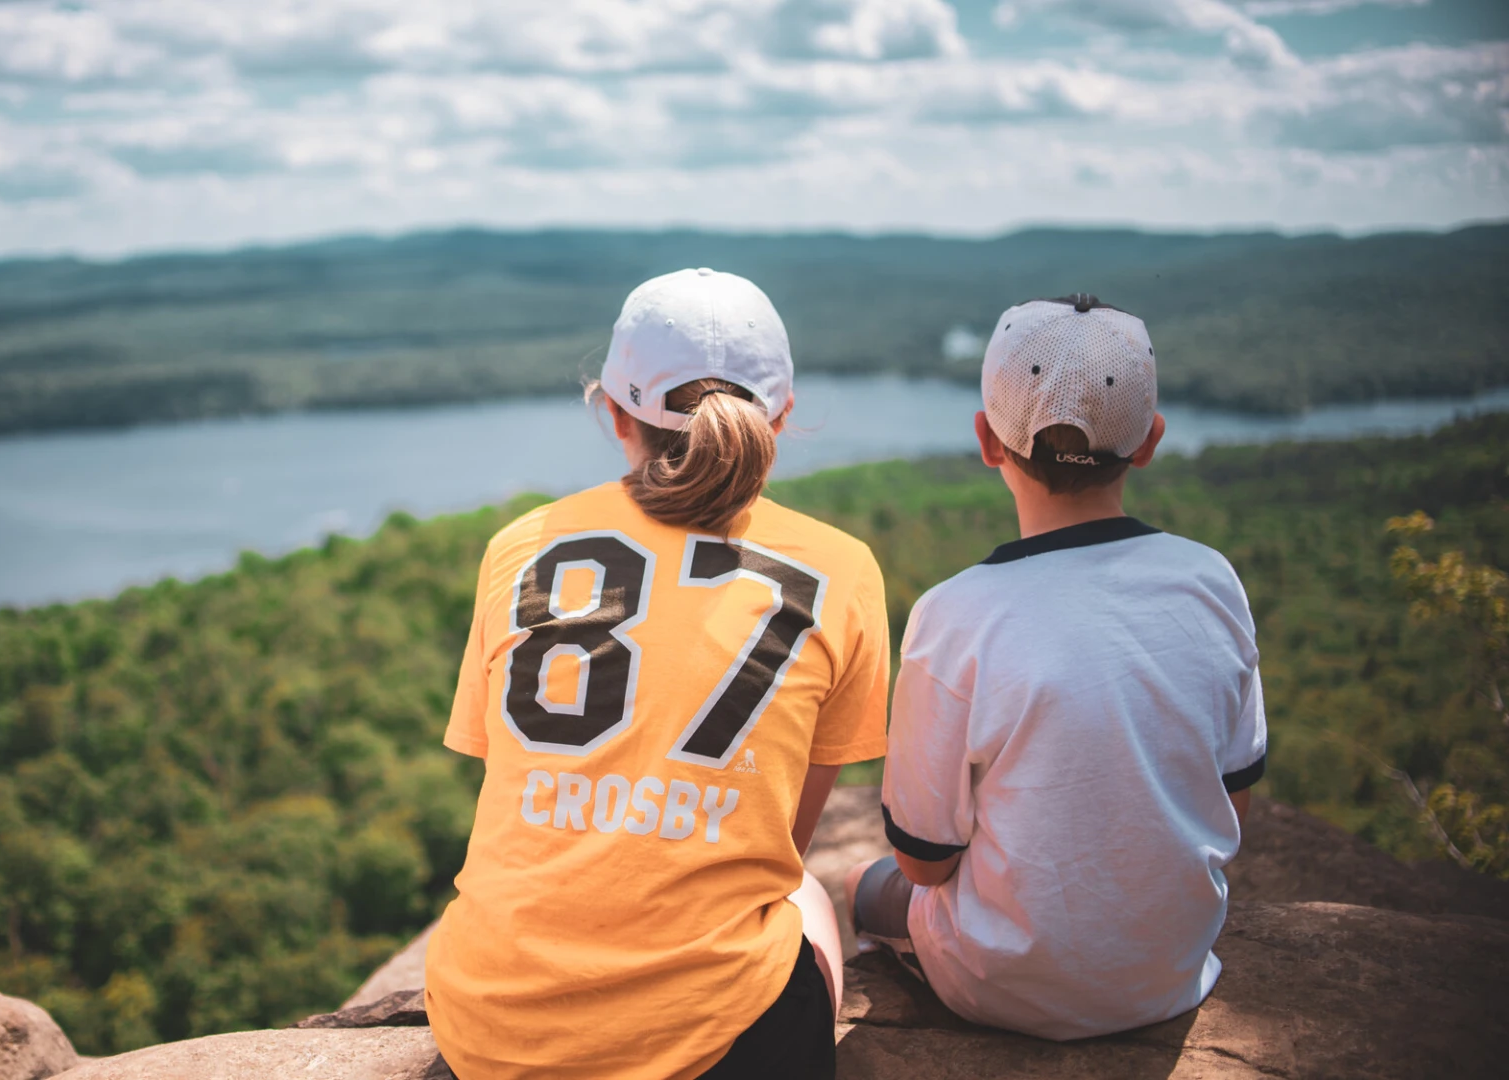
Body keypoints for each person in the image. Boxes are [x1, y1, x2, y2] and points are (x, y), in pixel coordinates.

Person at [424, 268, 892, 1080]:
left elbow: (516, 790)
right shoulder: (843, 571)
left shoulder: (519, 547)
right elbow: (781, 846)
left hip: (489, 1025)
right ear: (779, 417)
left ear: (612, 412)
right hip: (719, 1038)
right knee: (807, 895)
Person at [846, 294, 1268, 1041]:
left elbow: (923, 861)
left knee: (862, 886)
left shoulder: (954, 614)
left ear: (986, 439)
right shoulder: (1212, 581)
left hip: (996, 986)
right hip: (1167, 973)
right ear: (1149, 442)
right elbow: (1232, 796)